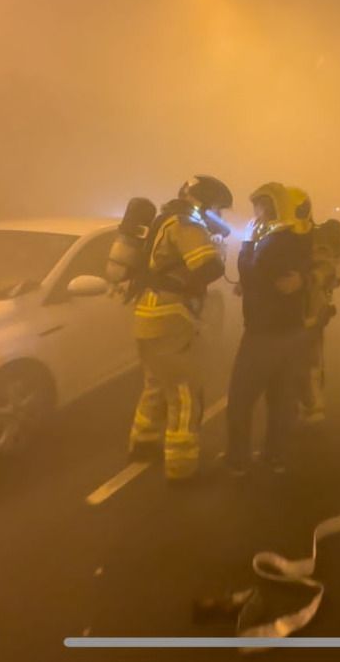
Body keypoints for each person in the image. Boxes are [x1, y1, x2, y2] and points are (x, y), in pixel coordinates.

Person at [126, 175, 233, 481]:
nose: (221, 215)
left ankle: (143, 443)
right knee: (185, 391)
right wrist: (217, 252)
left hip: (147, 314)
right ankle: (182, 464)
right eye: (218, 208)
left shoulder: (164, 219)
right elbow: (207, 267)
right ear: (206, 203)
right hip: (170, 318)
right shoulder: (187, 225)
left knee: (156, 384)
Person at [222, 183, 313, 476]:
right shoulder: (296, 238)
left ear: (274, 207)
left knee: (240, 399)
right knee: (281, 400)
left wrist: (247, 244)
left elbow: (253, 272)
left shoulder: (276, 241)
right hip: (291, 333)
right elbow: (271, 280)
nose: (256, 213)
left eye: (260, 206)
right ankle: (275, 459)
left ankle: (237, 461)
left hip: (265, 335)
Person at [286, 187, 340, 426]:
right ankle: (297, 406)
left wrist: (306, 280)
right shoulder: (286, 236)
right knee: (289, 362)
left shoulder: (314, 237)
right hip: (287, 312)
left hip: (309, 311)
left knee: (308, 362)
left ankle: (312, 409)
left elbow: (327, 268)